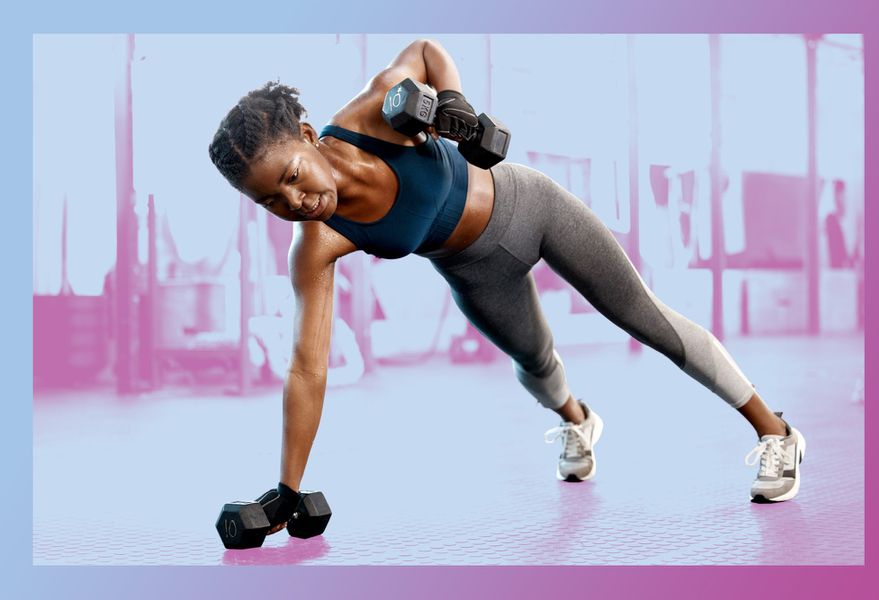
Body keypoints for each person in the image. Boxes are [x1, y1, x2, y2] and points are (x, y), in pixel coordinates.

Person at [207, 39, 807, 534]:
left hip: (532, 206)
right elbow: (307, 370)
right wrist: (288, 488)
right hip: (473, 270)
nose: (293, 202)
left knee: (642, 317)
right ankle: (579, 420)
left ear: (308, 137)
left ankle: (775, 431)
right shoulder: (317, 244)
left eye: (290, 177)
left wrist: (457, 103)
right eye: (269, 201)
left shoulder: (371, 117)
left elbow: (423, 49)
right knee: (534, 362)